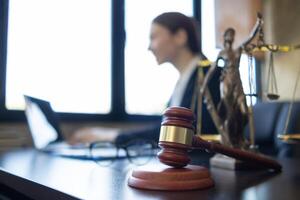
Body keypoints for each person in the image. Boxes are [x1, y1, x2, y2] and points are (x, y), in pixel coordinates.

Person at [69, 12, 222, 145]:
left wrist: (110, 136)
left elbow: (176, 133)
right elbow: (164, 128)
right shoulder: (186, 79)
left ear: (180, 37)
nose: (150, 47)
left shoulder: (211, 76)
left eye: (153, 37)